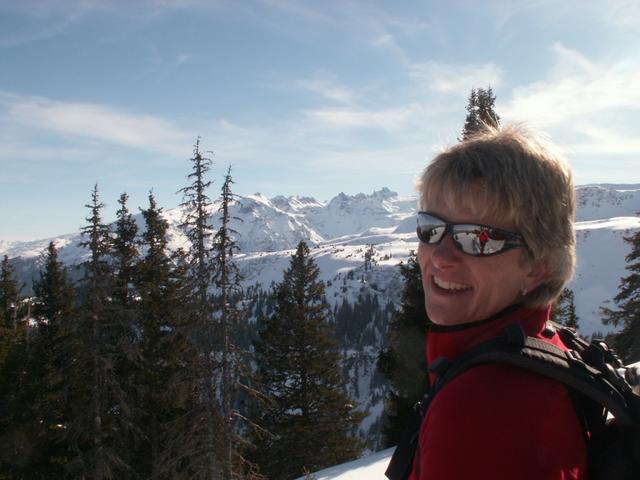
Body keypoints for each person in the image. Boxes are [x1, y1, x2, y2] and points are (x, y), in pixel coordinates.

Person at [410, 125, 587, 479]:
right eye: (431, 229)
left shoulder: (476, 410)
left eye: (478, 239)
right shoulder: (545, 349)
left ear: (538, 264)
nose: (441, 256)